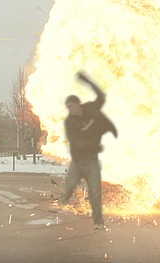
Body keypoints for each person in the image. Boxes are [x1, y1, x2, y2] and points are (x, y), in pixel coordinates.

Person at [61, 71, 117, 230]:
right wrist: (94, 145)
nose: (69, 109)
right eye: (67, 107)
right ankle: (64, 199)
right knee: (70, 187)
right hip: (77, 162)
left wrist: (87, 81)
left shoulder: (91, 109)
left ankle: (98, 222)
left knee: (95, 193)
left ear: (78, 104)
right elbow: (76, 142)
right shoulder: (69, 122)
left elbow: (101, 97)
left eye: (71, 106)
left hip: (91, 161)